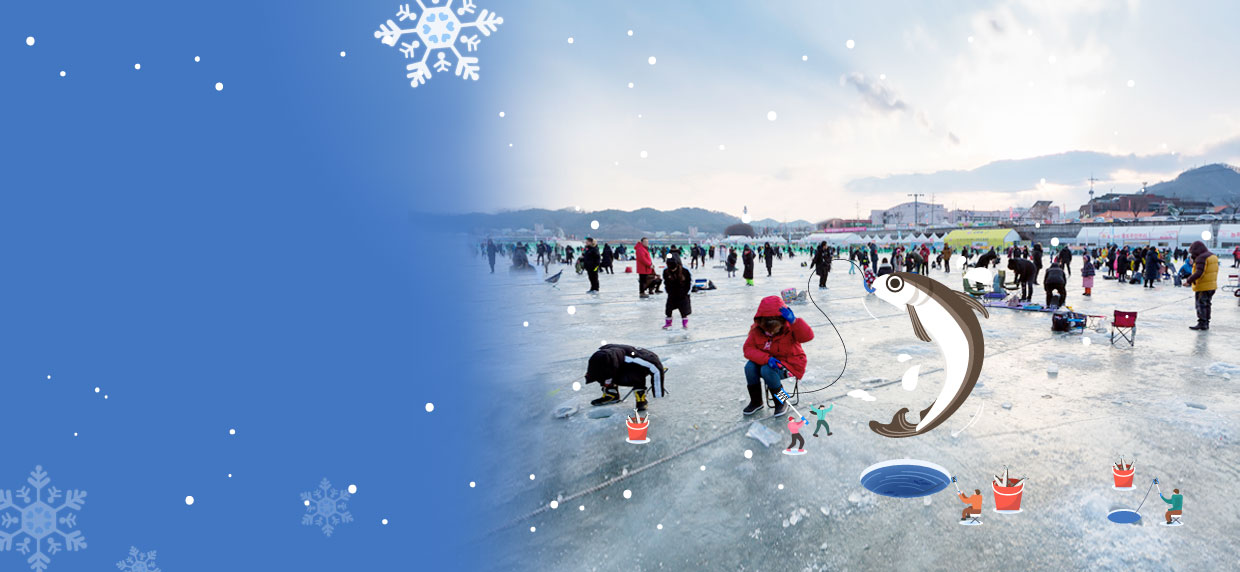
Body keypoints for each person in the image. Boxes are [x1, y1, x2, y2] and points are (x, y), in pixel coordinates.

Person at [742, 296, 815, 416]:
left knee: (767, 370)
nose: (771, 333)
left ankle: (782, 401)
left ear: (782, 323)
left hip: (790, 363)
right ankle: (756, 401)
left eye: (775, 330)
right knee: (749, 367)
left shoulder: (791, 328)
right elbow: (748, 349)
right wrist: (767, 359)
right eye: (768, 330)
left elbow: (807, 337)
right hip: (767, 361)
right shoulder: (756, 330)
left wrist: (796, 322)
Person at [583, 344, 666, 412]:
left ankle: (640, 397)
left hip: (639, 368)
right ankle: (612, 394)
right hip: (621, 365)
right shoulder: (601, 353)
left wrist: (658, 393)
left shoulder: (639, 359)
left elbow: (657, 369)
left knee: (636, 373)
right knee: (602, 372)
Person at [1185, 240, 1219, 331]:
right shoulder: (1213, 256)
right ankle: (1206, 322)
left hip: (1203, 286)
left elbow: (1199, 273)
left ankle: (1202, 323)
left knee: (1201, 305)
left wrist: (1189, 280)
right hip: (1212, 285)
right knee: (1207, 304)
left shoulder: (1201, 258)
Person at [662, 255, 692, 329]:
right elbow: (665, 282)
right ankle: (668, 323)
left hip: (683, 293)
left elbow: (689, 282)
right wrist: (668, 290)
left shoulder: (685, 271)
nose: (672, 270)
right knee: (668, 309)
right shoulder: (666, 271)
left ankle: (685, 324)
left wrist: (686, 292)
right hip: (672, 293)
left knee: (683, 311)